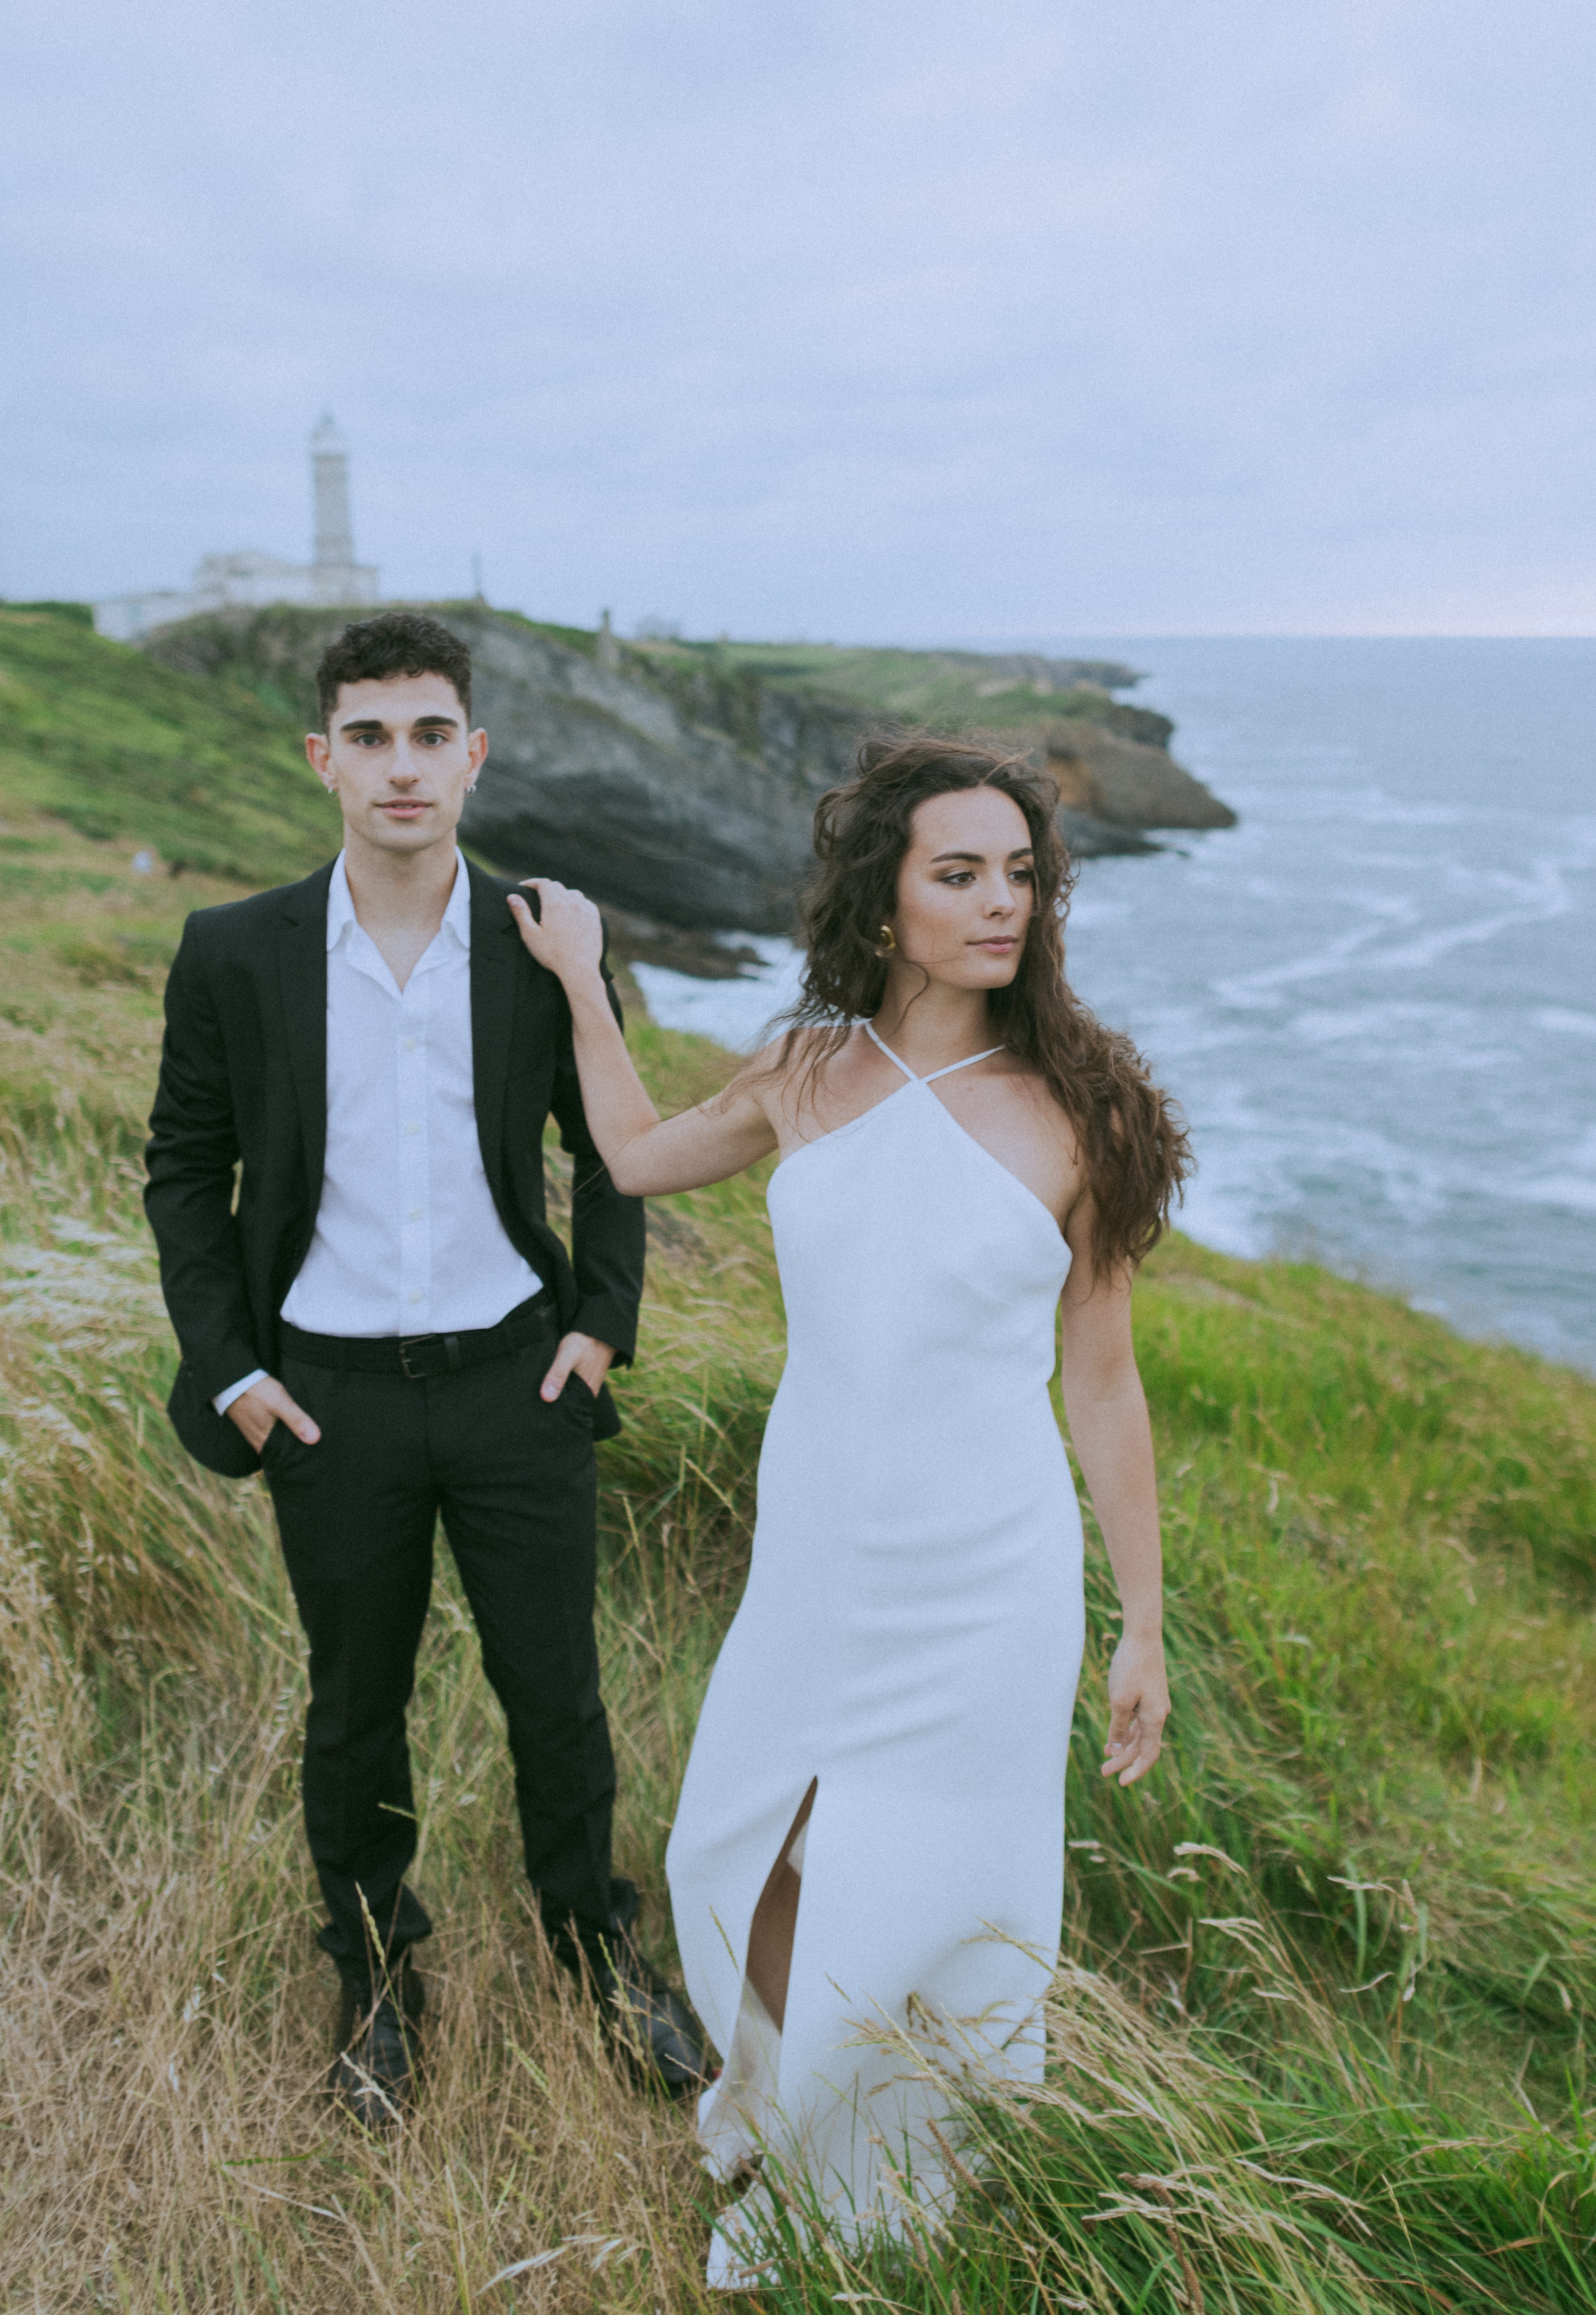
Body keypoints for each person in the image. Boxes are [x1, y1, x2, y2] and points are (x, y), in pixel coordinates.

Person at [509, 730, 1189, 2287]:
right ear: (884, 905)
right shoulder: (806, 1069)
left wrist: (1140, 1618)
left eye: (1019, 873)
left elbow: (1102, 1383)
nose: (999, 901)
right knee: (727, 1852)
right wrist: (583, 977)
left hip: (987, 1568)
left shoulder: (1078, 1109)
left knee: (932, 1886)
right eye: (958, 874)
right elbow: (626, 1153)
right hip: (819, 1553)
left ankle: (872, 2182)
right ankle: (815, 2112)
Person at [143, 610, 705, 2124]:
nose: (404, 766)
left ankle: (599, 1954)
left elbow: (610, 1150)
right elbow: (185, 1175)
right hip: (326, 1395)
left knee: (559, 1695)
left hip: (518, 1382)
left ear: (475, 754)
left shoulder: (549, 939)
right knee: (355, 1706)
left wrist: (600, 1326)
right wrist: (237, 1371)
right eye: (372, 736)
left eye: (431, 734)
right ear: (324, 757)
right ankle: (379, 1975)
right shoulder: (236, 949)